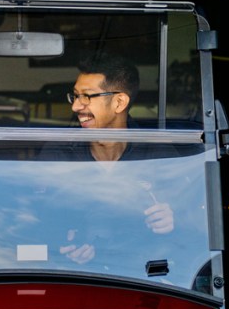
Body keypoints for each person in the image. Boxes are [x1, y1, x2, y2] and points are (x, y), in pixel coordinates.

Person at [44, 53, 176, 263]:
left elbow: (194, 223)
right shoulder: (58, 154)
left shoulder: (158, 156)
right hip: (74, 277)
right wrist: (64, 245)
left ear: (119, 102)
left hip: (141, 279)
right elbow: (35, 219)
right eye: (75, 96)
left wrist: (172, 221)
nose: (76, 106)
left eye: (86, 96)